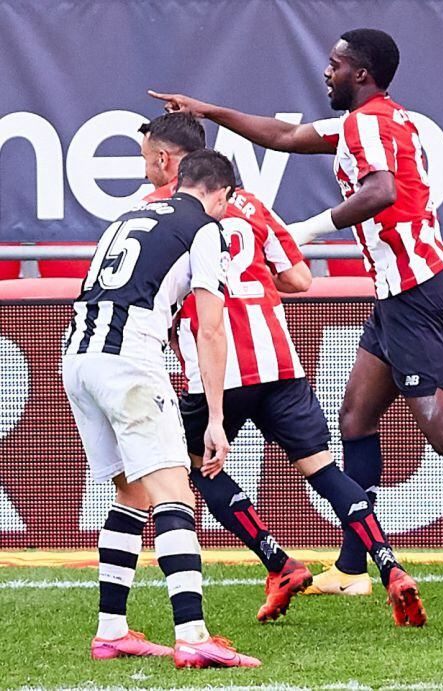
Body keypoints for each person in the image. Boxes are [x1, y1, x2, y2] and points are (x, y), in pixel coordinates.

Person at [149, 28, 443, 595]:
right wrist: (209, 111)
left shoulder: (366, 124)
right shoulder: (376, 120)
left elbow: (380, 191)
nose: (325, 73)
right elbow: (284, 135)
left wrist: (305, 230)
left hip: (414, 289)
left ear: (362, 74)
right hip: (407, 287)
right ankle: (353, 568)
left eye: (334, 65)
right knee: (355, 420)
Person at [138, 112, 425, 626]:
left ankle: (277, 561)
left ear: (165, 161)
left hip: (216, 368)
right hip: (280, 359)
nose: (146, 172)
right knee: (322, 468)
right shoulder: (250, 204)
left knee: (197, 466)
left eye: (146, 162)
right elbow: (299, 278)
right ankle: (390, 566)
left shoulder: (157, 210)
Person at [63, 148, 260, 667]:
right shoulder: (208, 228)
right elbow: (210, 326)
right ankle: (193, 637)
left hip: (78, 358)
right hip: (129, 362)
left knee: (131, 491)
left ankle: (110, 632)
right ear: (222, 193)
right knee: (177, 497)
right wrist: (216, 419)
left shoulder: (129, 214)